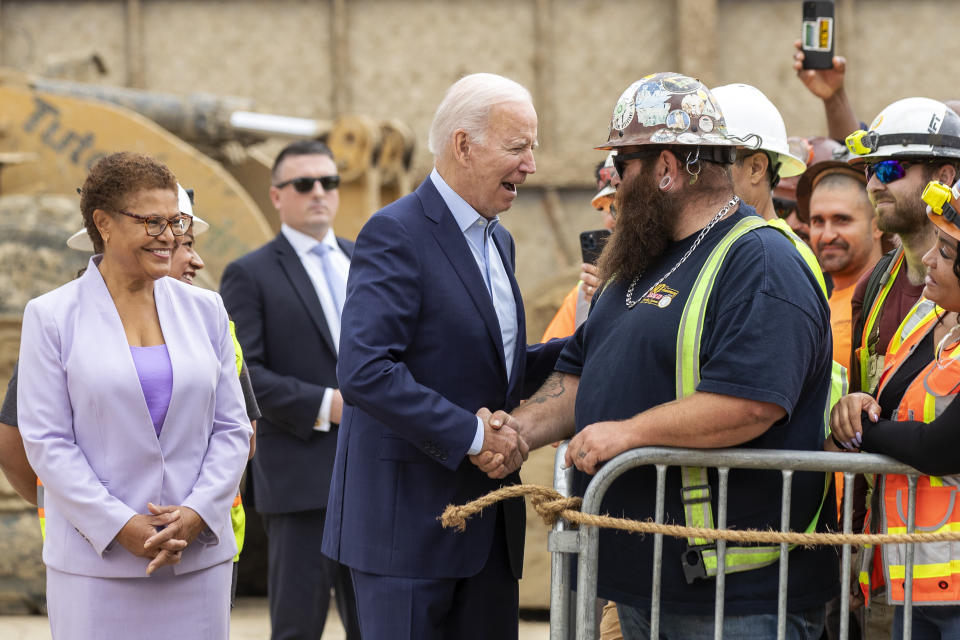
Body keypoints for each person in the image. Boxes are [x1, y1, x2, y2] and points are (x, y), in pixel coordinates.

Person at [483, 73, 838, 638]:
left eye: (623, 167)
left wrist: (627, 435)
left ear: (667, 169)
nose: (614, 184)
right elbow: (578, 377)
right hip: (641, 582)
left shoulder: (761, 261)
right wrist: (512, 432)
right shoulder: (636, 262)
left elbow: (751, 403)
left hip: (735, 596)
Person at [321, 72, 564, 640]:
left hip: (486, 535)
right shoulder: (394, 232)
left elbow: (488, 367)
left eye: (533, 147)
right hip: (407, 537)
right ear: (463, 145)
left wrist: (588, 340)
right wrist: (474, 437)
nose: (530, 164)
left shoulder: (498, 238)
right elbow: (364, 370)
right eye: (517, 147)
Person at [16, 152, 252, 639]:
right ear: (103, 223)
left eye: (177, 220)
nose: (169, 235)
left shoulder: (206, 308)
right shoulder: (51, 316)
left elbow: (232, 428)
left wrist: (196, 514)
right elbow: (46, 442)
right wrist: (120, 525)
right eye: (153, 221)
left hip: (198, 559)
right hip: (95, 566)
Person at [220, 139, 360, 640]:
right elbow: (242, 373)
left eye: (329, 182)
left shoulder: (363, 261)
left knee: (378, 623)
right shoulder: (249, 273)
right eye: (304, 184)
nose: (319, 192)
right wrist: (329, 405)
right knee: (298, 626)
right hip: (300, 477)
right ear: (277, 196)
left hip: (375, 473)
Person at [829, 176, 960, 638]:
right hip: (913, 580)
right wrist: (856, 405)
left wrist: (857, 430)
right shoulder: (927, 316)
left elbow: (941, 448)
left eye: (945, 253)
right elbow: (886, 405)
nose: (928, 260)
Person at [846, 99, 960, 395]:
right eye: (869, 171)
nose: (873, 186)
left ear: (944, 177)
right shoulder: (871, 286)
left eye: (889, 170)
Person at [798, 159, 883, 371]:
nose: (827, 235)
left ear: (877, 225)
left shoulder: (891, 300)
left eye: (842, 220)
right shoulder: (815, 302)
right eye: (818, 221)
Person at [541, 152, 618, 342]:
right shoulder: (584, 295)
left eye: (617, 205)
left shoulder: (680, 273)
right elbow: (554, 364)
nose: (611, 220)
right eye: (605, 208)